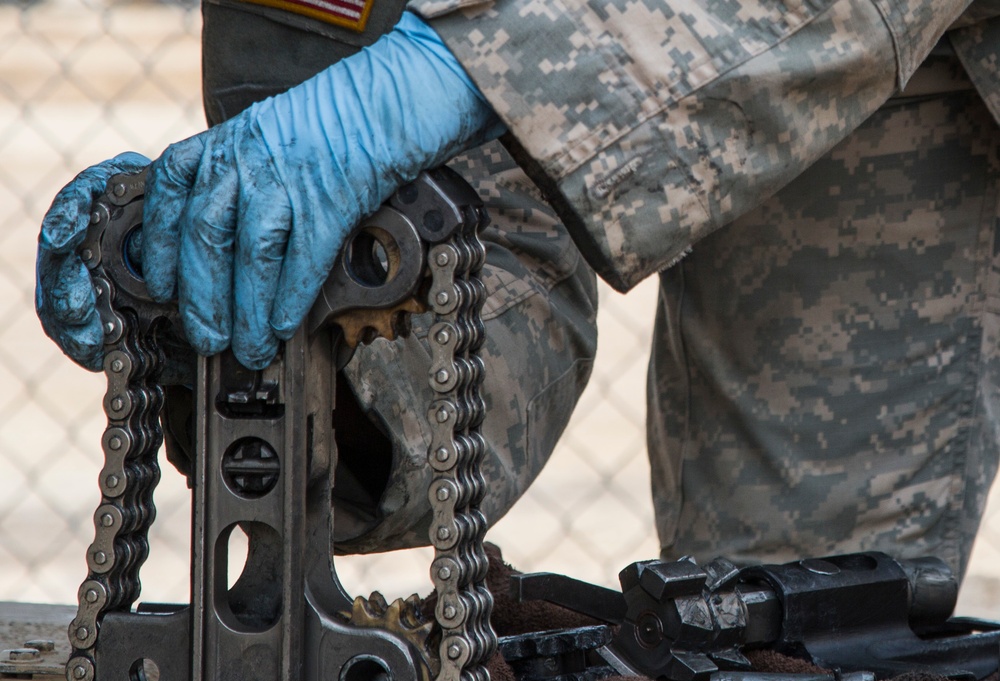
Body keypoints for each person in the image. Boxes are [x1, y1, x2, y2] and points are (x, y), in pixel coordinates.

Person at [35, 0, 1000, 579]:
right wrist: (263, 347)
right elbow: (483, 270)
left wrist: (486, 68)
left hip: (909, 53)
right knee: (771, 643)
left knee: (824, 620)